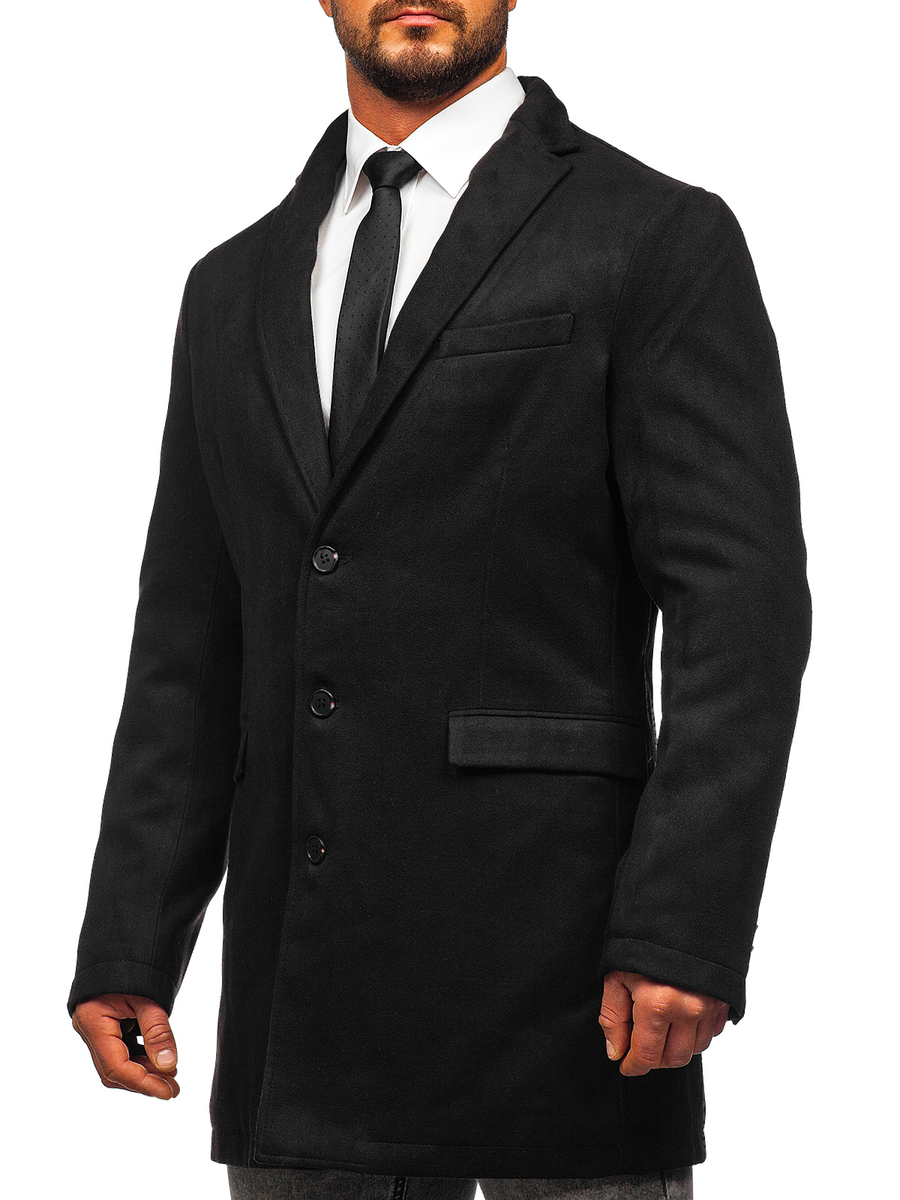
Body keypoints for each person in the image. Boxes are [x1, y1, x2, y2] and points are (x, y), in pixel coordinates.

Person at [68, 3, 813, 1199]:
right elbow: (190, 649)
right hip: (300, 1009)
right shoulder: (231, 287)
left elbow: (742, 611)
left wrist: (685, 927)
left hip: (563, 986)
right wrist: (129, 942)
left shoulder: (655, 235)